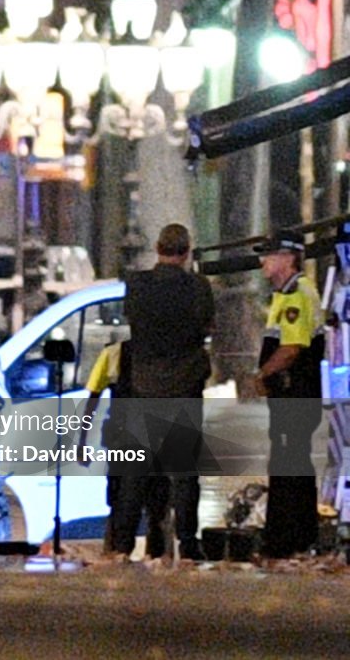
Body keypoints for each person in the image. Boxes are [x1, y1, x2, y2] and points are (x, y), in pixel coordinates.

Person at [116, 223, 214, 561]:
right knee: (185, 474)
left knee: (134, 473)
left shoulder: (137, 286)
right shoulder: (198, 288)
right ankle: (188, 543)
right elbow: (206, 327)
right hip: (184, 388)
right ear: (187, 251)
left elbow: (132, 324)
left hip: (144, 389)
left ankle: (123, 543)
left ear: (157, 248)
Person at [253, 229, 323, 559]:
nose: (262, 260)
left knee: (286, 465)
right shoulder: (287, 292)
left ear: (288, 258)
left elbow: (292, 348)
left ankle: (283, 540)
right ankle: (299, 536)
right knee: (294, 462)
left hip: (294, 393)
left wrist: (262, 373)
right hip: (292, 395)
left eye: (269, 254)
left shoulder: (295, 294)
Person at [83, 341, 170, 560]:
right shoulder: (169, 352)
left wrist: (81, 440)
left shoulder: (114, 353)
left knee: (124, 499)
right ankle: (150, 555)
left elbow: (93, 397)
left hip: (128, 436)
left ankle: (119, 552)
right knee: (153, 502)